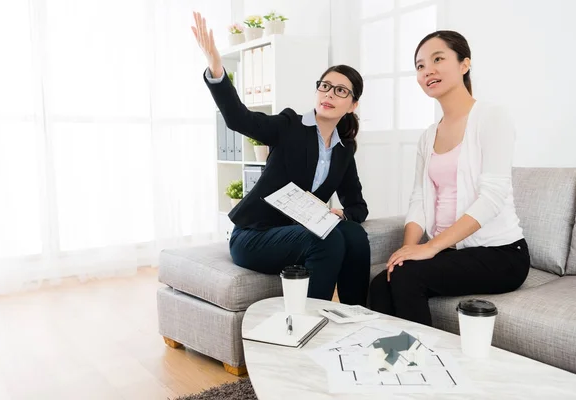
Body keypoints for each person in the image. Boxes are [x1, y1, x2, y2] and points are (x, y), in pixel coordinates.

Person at [191, 12, 370, 305]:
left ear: (353, 105)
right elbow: (239, 119)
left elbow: (357, 205)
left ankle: (356, 314)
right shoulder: (289, 125)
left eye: (340, 91)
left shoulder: (343, 149)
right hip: (254, 236)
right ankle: (310, 321)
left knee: (354, 235)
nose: (329, 93)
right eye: (324, 86)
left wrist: (342, 214)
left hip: (295, 235)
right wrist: (216, 68)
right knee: (325, 237)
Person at [368, 30, 531, 326]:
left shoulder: (492, 117)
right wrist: (407, 250)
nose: (427, 70)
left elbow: (492, 197)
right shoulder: (428, 135)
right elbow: (419, 198)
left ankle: (420, 368)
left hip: (501, 255)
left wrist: (431, 247)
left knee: (406, 277)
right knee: (382, 283)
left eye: (437, 59)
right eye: (419, 66)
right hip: (451, 253)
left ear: (464, 64)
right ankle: (385, 365)